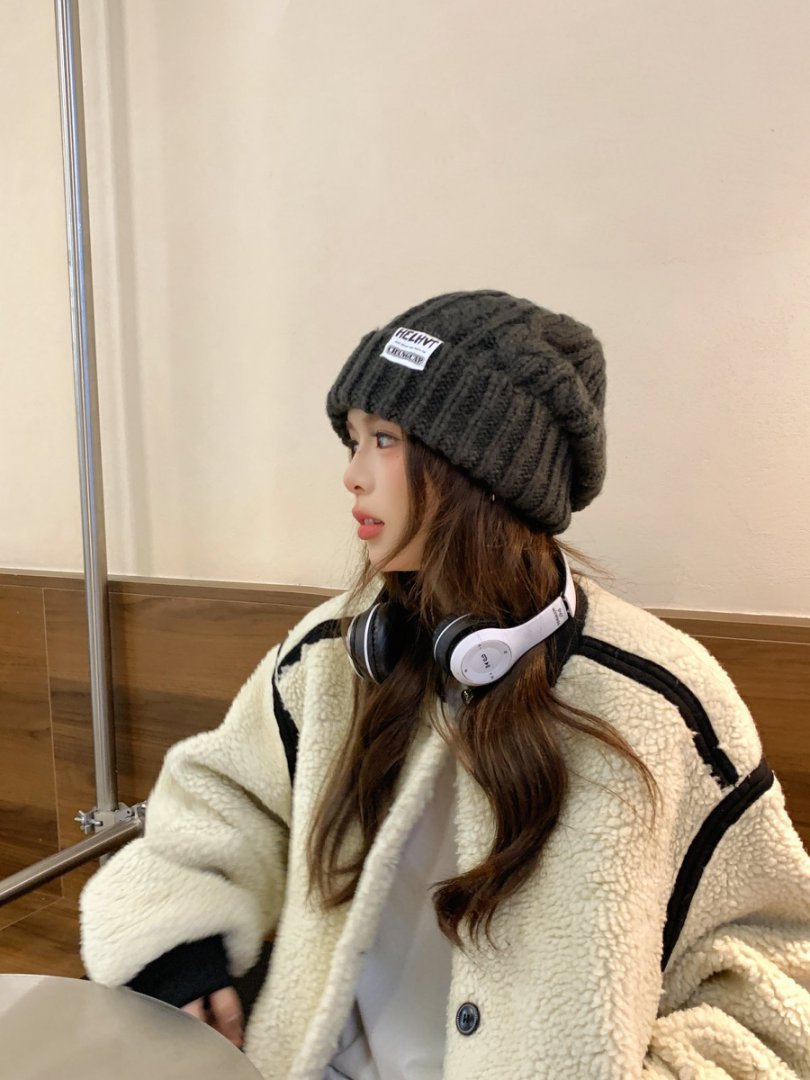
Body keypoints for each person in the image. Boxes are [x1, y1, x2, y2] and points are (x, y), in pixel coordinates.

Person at [80, 290, 810, 1079]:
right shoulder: (331, 654)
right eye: (352, 440)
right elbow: (219, 801)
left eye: (383, 440)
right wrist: (176, 943)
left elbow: (776, 969)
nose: (351, 475)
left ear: (482, 469)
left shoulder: (664, 699)